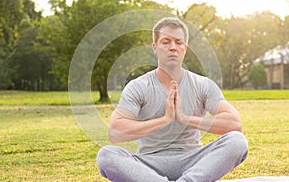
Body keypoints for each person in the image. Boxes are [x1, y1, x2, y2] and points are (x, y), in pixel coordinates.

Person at [96, 17, 248, 182]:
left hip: (193, 162)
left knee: (237, 141)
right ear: (155, 47)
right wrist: (165, 119)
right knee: (107, 155)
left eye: (178, 42)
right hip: (149, 165)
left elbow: (234, 124)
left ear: (185, 48)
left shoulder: (203, 85)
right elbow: (115, 132)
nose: (173, 47)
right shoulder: (138, 86)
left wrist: (185, 119)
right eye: (166, 42)